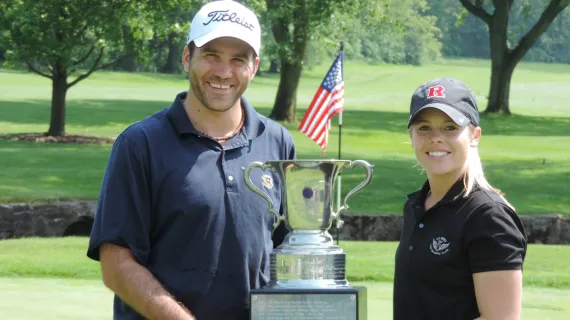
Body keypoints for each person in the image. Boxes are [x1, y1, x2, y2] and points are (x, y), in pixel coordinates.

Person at [86, 1, 295, 319]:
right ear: (187, 57)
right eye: (211, 55)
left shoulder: (278, 142)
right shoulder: (140, 144)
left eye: (238, 59)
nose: (224, 71)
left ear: (254, 66)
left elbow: (287, 249)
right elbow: (116, 264)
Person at [393, 77, 527, 320]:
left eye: (450, 127)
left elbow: (500, 318)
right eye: (424, 128)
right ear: (411, 135)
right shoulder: (415, 206)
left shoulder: (489, 216)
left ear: (474, 135)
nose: (435, 138)